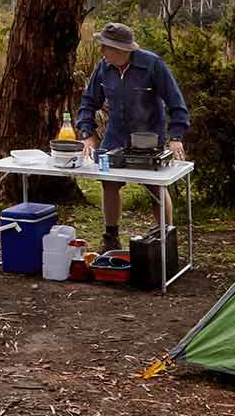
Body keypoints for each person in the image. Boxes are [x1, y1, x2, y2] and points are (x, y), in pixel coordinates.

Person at [75, 22, 189, 254]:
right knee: (109, 182)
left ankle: (164, 237)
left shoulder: (152, 65)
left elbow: (176, 103)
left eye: (105, 47)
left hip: (148, 138)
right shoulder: (104, 68)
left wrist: (175, 136)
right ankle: (111, 236)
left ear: (121, 50)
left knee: (156, 186)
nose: (101, 52)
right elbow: (88, 101)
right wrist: (87, 134)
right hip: (115, 137)